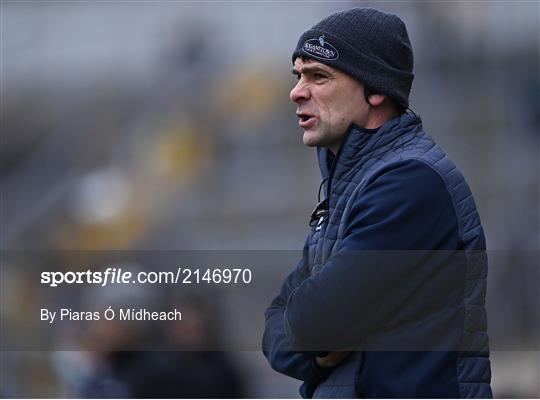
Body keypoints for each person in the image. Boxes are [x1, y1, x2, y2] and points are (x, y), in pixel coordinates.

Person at [262, 8, 492, 398]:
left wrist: (309, 334)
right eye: (298, 76)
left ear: (376, 88)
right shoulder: (352, 183)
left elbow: (314, 322)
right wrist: (317, 356)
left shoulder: (410, 182)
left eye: (318, 76)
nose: (297, 92)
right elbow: (274, 328)